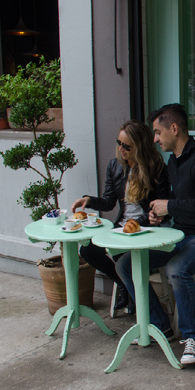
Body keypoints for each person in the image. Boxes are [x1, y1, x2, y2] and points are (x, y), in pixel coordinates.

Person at [116, 103, 195, 365]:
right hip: (179, 234)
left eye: (157, 132)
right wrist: (160, 214)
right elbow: (176, 201)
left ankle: (193, 338)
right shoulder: (173, 162)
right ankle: (158, 325)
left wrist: (171, 206)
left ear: (174, 129)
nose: (155, 139)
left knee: (176, 269)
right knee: (125, 263)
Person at [71, 120, 169, 315]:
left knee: (123, 255)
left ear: (139, 147)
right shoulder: (115, 166)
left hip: (147, 227)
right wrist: (88, 201)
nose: (121, 149)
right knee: (88, 250)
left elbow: (161, 208)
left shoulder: (156, 167)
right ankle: (123, 283)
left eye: (126, 146)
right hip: (122, 226)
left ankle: (135, 297)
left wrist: (141, 222)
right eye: (119, 143)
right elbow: (109, 202)